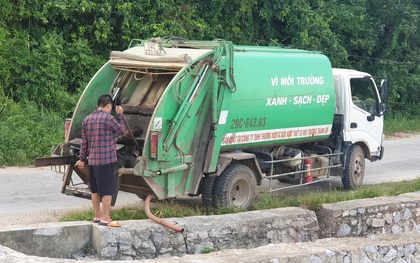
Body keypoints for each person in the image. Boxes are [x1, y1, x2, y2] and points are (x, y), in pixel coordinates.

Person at [75, 94, 126, 227]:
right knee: (108, 190)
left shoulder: (87, 120)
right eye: (111, 108)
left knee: (95, 190)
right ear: (108, 106)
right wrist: (120, 115)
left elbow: (84, 144)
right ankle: (106, 217)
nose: (111, 110)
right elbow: (122, 131)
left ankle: (97, 216)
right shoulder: (108, 118)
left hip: (92, 161)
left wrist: (81, 159)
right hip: (106, 160)